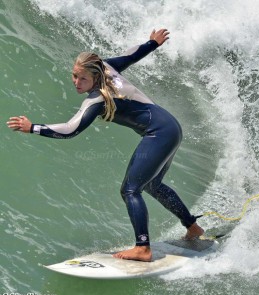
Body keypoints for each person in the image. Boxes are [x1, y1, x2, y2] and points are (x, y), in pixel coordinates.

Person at [7, 29, 204, 262]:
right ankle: (192, 227)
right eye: (74, 76)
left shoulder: (98, 99)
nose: (77, 83)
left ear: (94, 76)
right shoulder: (106, 68)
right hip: (169, 126)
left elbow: (71, 129)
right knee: (153, 185)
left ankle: (143, 247)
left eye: (83, 79)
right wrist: (152, 43)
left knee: (130, 190)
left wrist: (33, 128)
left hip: (159, 133)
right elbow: (130, 56)